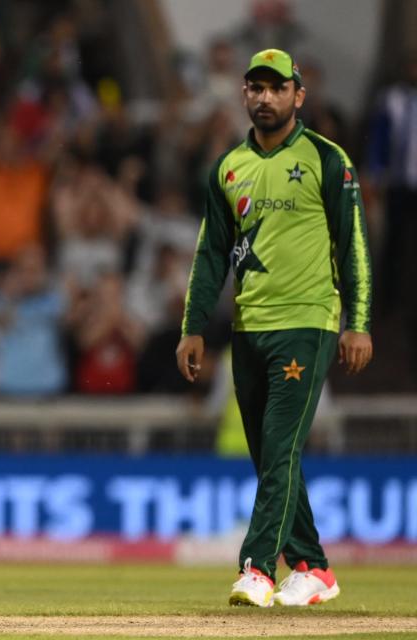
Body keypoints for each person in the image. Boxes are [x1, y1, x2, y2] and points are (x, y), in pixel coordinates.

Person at [175, 49, 372, 608]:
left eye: (276, 88)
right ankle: (314, 569)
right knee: (270, 455)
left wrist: (356, 322)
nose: (266, 97)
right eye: (256, 88)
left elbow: (354, 244)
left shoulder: (327, 160)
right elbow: (210, 251)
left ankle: (257, 568)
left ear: (298, 95)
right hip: (248, 328)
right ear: (244, 95)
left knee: (281, 445)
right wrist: (193, 327)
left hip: (307, 322)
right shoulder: (228, 167)